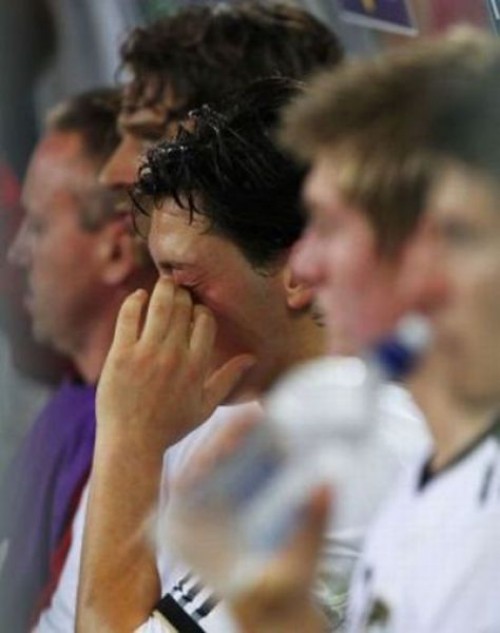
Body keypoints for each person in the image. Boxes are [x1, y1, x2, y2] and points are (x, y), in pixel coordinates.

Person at [78, 77, 428, 633]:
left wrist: (128, 440)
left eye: (180, 277)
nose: (160, 308)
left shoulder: (353, 443)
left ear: (300, 272)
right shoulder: (318, 419)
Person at [216, 27, 500, 632]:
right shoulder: (428, 476)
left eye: (328, 226)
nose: (305, 263)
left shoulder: (485, 536)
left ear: (427, 247)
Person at [0, 87, 158, 632]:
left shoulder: (130, 443)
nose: (19, 251)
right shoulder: (73, 399)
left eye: (39, 225)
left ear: (115, 249)